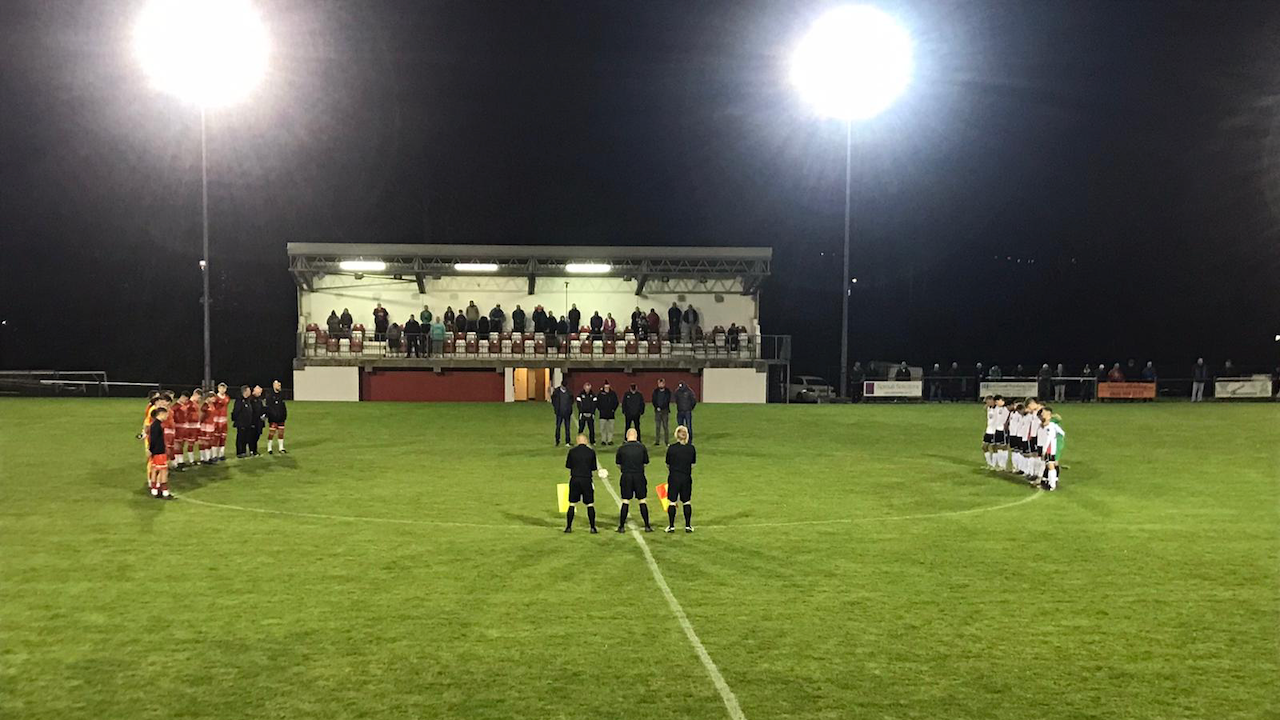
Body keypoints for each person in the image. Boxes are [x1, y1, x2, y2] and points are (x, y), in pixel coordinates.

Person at [614, 428, 653, 532]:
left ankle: (621, 527)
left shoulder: (622, 448)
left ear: (627, 436)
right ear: (636, 436)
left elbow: (618, 464)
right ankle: (647, 526)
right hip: (639, 476)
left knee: (625, 501)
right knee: (642, 500)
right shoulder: (642, 447)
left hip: (626, 476)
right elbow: (645, 463)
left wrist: (625, 469)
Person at [564, 434, 603, 533]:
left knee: (572, 503)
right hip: (586, 480)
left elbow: (568, 465)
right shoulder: (591, 452)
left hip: (575, 479)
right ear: (586, 441)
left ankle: (568, 527)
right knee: (590, 504)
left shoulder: (572, 452)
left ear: (577, 441)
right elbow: (593, 467)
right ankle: (593, 527)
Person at [664, 425, 697, 533]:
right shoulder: (691, 448)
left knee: (672, 502)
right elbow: (692, 464)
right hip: (686, 477)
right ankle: (688, 526)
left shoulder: (671, 448)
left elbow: (667, 464)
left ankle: (671, 526)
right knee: (686, 501)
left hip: (674, 477)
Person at [1036, 406, 1066, 491]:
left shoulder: (1050, 426)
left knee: (1050, 465)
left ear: (1049, 416)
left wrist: (1045, 450)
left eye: (1044, 414)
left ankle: (1052, 485)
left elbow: (1049, 439)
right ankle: (1048, 481)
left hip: (1049, 448)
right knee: (1048, 464)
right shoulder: (1043, 425)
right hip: (1045, 447)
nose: (1042, 415)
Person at [147, 406, 174, 499]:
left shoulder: (154, 424)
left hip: (155, 451)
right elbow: (154, 440)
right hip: (159, 451)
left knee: (155, 469)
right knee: (164, 471)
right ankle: (165, 492)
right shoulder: (158, 425)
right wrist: (151, 450)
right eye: (166, 414)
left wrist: (151, 450)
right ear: (161, 414)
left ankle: (155, 489)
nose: (167, 416)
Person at [264, 380, 288, 454]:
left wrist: (284, 415)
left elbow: (283, 407)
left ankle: (281, 447)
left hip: (281, 418)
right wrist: (271, 415)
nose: (279, 387)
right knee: (272, 433)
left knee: (281, 433)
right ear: (274, 386)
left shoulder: (281, 395)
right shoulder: (270, 396)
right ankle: (269, 447)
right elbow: (268, 408)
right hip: (273, 418)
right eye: (278, 385)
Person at [232, 386, 255, 458]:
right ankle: (239, 452)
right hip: (241, 423)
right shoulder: (239, 400)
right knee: (240, 438)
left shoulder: (248, 400)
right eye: (249, 390)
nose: (250, 392)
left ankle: (244, 451)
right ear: (245, 391)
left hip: (247, 423)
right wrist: (237, 421)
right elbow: (236, 412)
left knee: (245, 438)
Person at [551, 379, 574, 446]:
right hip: (559, 413)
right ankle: (557, 441)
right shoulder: (556, 392)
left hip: (567, 413)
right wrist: (556, 407)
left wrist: (569, 409)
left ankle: (567, 441)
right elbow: (553, 400)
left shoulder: (569, 392)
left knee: (567, 428)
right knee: (558, 427)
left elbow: (571, 401)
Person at [212, 382, 231, 462]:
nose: (222, 390)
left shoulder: (227, 397)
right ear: (218, 389)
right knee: (215, 438)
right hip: (216, 420)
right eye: (221, 388)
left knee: (223, 437)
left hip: (224, 420)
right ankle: (214, 455)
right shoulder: (215, 398)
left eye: (224, 388)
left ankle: (221, 454)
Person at [596, 380, 619, 445]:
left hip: (611, 415)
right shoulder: (600, 394)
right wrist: (601, 410)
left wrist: (613, 410)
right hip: (602, 414)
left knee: (610, 429)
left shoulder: (613, 394)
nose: (607, 388)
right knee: (603, 428)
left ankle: (609, 440)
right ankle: (603, 440)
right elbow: (597, 403)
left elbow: (616, 402)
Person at [652, 378, 672, 445]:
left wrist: (661, 407)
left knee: (665, 426)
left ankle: (666, 441)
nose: (660, 385)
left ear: (664, 384)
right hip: (657, 411)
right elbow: (653, 400)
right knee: (657, 426)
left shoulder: (667, 392)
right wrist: (657, 407)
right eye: (659, 383)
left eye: (661, 383)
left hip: (665, 411)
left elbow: (667, 401)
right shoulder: (655, 391)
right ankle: (657, 441)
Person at [981, 395, 998, 469]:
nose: (987, 403)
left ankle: (994, 465)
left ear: (992, 400)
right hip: (988, 430)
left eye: (988, 401)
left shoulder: (998, 408)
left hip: (995, 431)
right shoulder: (988, 408)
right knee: (984, 447)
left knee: (994, 448)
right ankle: (989, 464)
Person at [250, 385, 266, 456]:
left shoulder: (259, 400)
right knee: (252, 436)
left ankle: (254, 450)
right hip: (253, 421)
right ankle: (252, 450)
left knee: (257, 436)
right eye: (259, 392)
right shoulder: (251, 399)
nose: (260, 394)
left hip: (259, 421)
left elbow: (262, 409)